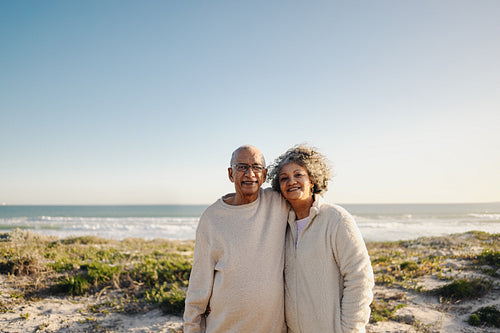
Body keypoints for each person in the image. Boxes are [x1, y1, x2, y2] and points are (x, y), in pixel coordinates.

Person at [268, 144, 374, 333]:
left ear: (312, 180)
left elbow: (360, 277)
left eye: (298, 175)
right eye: (284, 178)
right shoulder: (282, 226)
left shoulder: (336, 218)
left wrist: (350, 329)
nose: (291, 181)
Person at [183, 145, 289, 333]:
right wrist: (192, 327)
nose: (250, 174)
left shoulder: (279, 203)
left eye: (256, 167)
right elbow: (199, 282)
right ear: (231, 174)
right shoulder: (212, 218)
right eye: (242, 167)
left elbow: (309, 202)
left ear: (264, 175)